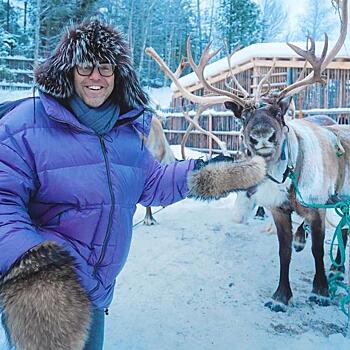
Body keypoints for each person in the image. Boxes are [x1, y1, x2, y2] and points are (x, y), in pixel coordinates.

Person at [0, 19, 266, 350]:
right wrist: (35, 275)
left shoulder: (125, 132)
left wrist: (212, 174)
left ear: (117, 74)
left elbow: (152, 181)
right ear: (68, 71)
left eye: (105, 67)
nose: (96, 76)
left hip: (96, 291)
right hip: (45, 297)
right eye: (85, 66)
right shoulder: (25, 124)